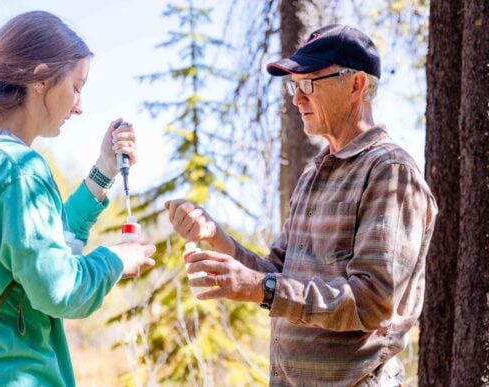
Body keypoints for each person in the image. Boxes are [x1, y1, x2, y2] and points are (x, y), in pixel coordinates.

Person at [165, 24, 437, 386]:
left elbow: (372, 302)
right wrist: (216, 237)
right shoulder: (314, 174)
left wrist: (259, 287)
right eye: (294, 85)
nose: (297, 98)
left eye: (309, 83)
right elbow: (275, 273)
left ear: (356, 85)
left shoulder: (388, 171)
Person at [0, 11, 156, 386]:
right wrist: (117, 258)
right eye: (76, 86)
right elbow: (59, 289)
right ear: (40, 79)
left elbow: (40, 250)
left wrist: (103, 170)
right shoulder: (16, 168)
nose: (79, 105)